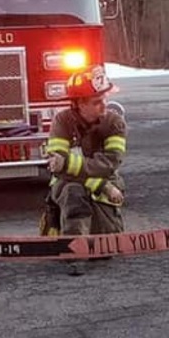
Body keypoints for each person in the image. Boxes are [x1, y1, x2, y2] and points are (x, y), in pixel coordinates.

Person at [42, 64, 127, 276]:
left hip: (106, 184)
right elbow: (57, 168)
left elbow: (110, 163)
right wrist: (101, 185)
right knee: (73, 192)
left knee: (104, 249)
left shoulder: (114, 122)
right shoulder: (62, 121)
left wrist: (72, 166)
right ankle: (74, 255)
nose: (104, 106)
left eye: (105, 99)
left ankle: (92, 239)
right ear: (79, 103)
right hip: (70, 185)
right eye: (97, 102)